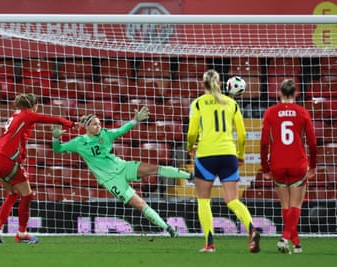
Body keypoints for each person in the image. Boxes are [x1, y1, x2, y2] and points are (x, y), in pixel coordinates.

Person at [50, 107, 193, 237]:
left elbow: (122, 130)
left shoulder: (106, 134)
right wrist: (55, 138)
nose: (99, 126)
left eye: (99, 123)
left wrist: (135, 120)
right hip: (111, 181)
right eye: (95, 124)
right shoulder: (79, 142)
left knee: (154, 169)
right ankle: (168, 229)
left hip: (122, 167)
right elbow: (58, 149)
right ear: (87, 127)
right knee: (140, 204)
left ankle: (190, 176)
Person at [186, 69, 260, 253]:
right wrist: (240, 154)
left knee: (203, 201)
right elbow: (242, 134)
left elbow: (192, 132)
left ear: (202, 85)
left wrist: (190, 147)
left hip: (206, 155)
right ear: (220, 84)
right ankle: (251, 229)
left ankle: (209, 244)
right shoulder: (232, 103)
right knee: (232, 199)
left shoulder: (198, 104)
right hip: (228, 154)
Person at [0, 93, 75, 243]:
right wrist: (68, 123)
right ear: (34, 106)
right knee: (27, 195)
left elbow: (20, 139)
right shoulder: (27, 115)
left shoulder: (15, 116)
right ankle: (22, 233)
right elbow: (49, 119)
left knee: (12, 194)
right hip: (7, 158)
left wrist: (22, 155)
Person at [260, 79, 317, 254]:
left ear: (279, 93)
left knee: (286, 205)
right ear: (295, 94)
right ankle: (285, 238)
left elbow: (263, 143)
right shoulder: (303, 113)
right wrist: (313, 165)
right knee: (296, 205)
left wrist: (265, 168)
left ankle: (296, 243)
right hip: (297, 163)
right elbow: (313, 143)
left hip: (277, 164)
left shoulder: (270, 112)